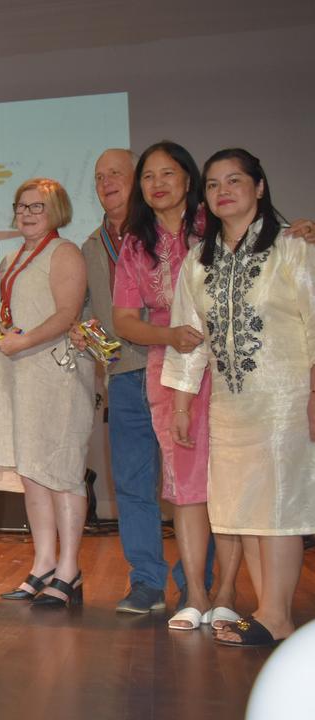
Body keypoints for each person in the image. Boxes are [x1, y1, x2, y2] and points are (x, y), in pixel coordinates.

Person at [162, 148, 315, 646]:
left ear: (260, 187)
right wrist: (182, 403)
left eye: (234, 180)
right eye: (212, 184)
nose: (222, 191)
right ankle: (268, 613)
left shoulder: (293, 247)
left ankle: (276, 615)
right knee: (246, 508)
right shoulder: (198, 260)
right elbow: (189, 336)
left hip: (285, 400)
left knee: (279, 508)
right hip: (229, 404)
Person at [112, 141, 237, 630]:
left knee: (230, 480)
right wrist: (169, 335)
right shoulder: (134, 242)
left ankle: (226, 591)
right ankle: (196, 594)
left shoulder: (218, 224)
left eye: (169, 173)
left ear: (190, 179)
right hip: (168, 368)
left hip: (229, 365)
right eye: (148, 176)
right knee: (185, 484)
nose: (158, 183)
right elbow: (124, 320)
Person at [0, 179, 92, 608]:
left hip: (54, 372)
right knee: (32, 472)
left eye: (37, 207)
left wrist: (22, 342)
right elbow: (5, 312)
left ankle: (70, 569)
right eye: (21, 206)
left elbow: (67, 313)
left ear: (57, 210)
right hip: (16, 373)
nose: (26, 213)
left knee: (60, 469)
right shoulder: (11, 257)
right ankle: (44, 564)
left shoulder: (64, 253)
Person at [69, 149, 169, 615]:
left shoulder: (166, 230)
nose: (106, 182)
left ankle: (200, 584)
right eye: (98, 176)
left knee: (190, 486)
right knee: (132, 485)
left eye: (116, 174)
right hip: (125, 377)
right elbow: (88, 309)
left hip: (176, 370)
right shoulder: (90, 246)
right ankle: (147, 582)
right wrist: (83, 328)